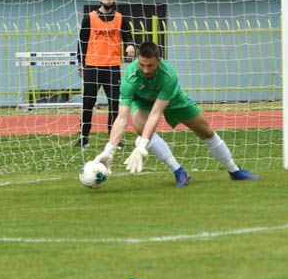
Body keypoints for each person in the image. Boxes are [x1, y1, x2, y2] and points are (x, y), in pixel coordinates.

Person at [92, 41, 261, 186]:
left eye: (150, 65)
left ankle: (234, 170)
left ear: (159, 61)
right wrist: (109, 149)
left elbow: (156, 113)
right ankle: (179, 172)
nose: (145, 70)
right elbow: (122, 118)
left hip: (174, 100)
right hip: (142, 102)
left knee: (206, 132)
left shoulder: (168, 75)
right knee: (140, 126)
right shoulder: (130, 78)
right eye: (142, 65)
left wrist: (142, 144)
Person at [75, 0, 136, 148]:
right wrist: (80, 64)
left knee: (114, 104)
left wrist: (130, 45)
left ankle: (114, 139)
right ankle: (83, 137)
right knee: (88, 102)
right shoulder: (89, 18)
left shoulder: (120, 18)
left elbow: (127, 36)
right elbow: (82, 42)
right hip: (92, 66)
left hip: (112, 67)